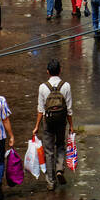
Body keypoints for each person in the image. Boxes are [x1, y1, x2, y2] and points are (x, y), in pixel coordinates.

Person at [35, 59, 73, 192]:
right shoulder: (66, 85)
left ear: (47, 72)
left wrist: (37, 126)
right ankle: (59, 169)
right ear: (60, 70)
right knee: (61, 145)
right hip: (61, 121)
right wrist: (71, 125)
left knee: (49, 151)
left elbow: (41, 109)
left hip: (48, 122)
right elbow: (69, 109)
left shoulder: (43, 87)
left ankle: (50, 181)